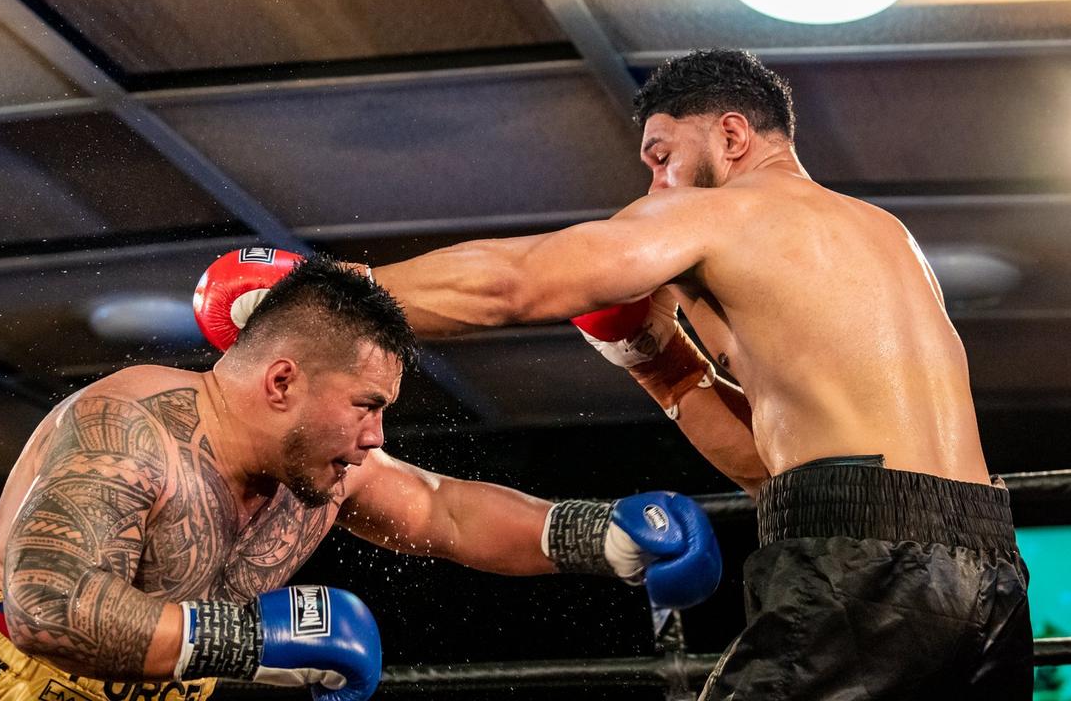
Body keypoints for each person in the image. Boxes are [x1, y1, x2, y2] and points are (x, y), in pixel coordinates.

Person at [231, 50, 1031, 699]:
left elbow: (518, 283)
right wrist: (654, 360)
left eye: (661, 155)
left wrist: (313, 293)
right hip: (991, 570)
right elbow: (772, 468)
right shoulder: (885, 239)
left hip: (859, 561)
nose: (654, 185)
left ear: (729, 135)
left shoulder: (719, 213)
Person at [0, 252, 721, 701]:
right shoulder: (132, 431)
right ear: (282, 381)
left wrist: (599, 533)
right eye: (363, 404)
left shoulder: (322, 467)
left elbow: (442, 513)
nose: (375, 434)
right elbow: (49, 608)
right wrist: (253, 641)